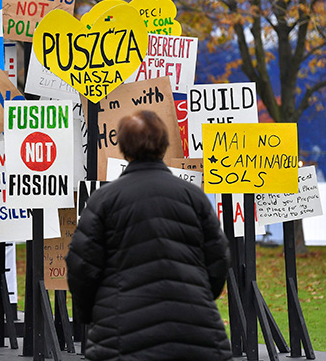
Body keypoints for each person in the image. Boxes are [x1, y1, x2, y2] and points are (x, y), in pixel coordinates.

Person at [66, 110, 232, 361]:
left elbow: (81, 266)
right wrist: (197, 297)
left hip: (122, 333)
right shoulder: (193, 196)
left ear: (123, 147)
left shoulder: (104, 200)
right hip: (194, 332)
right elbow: (218, 259)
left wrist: (94, 313)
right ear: (164, 145)